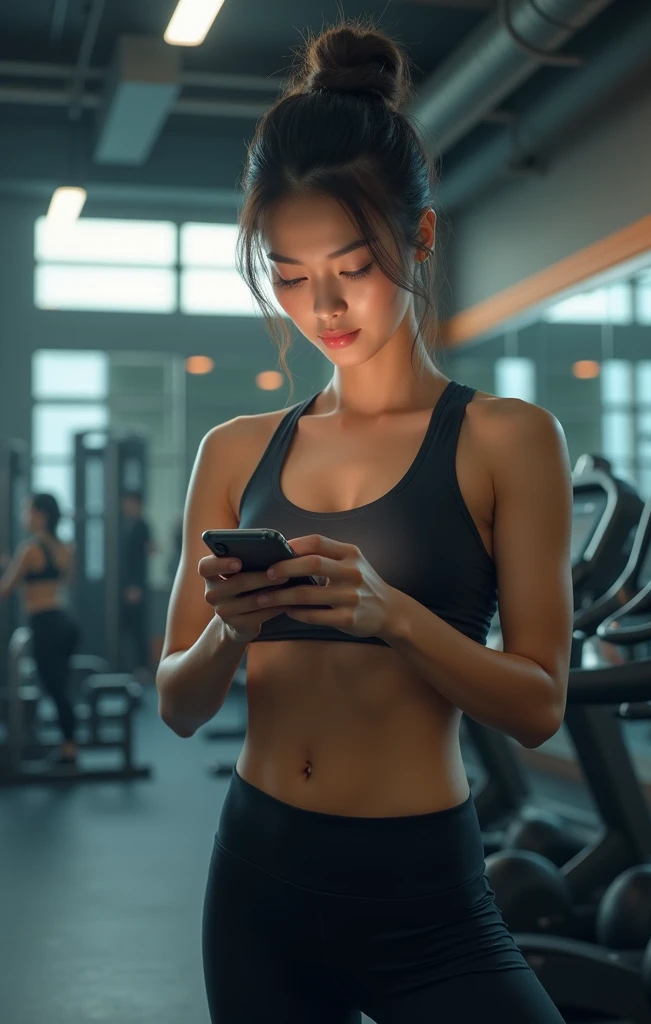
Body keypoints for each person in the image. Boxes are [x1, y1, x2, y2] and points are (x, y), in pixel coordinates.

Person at [157, 19, 573, 1024]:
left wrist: (391, 614)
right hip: (255, 875)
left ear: (420, 236)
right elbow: (176, 701)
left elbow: (536, 702)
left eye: (351, 264)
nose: (322, 303)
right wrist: (231, 628)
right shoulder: (235, 448)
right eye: (290, 274)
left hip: (421, 891)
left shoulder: (506, 439)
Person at [0, 493, 80, 766]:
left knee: (54, 687)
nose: (25, 516)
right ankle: (68, 744)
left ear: (41, 515)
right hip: (65, 622)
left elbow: (6, 588)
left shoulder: (30, 549)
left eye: (28, 510)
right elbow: (66, 582)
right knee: (60, 687)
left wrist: (10, 568)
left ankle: (69, 749)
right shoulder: (65, 547)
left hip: (44, 623)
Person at [119, 491, 155, 681]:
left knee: (138, 626)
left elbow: (140, 560)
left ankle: (142, 667)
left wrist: (135, 585)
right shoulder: (123, 525)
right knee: (126, 626)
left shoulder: (141, 526)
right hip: (124, 584)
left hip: (135, 585)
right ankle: (127, 666)